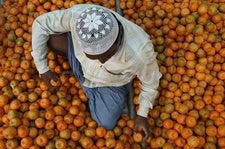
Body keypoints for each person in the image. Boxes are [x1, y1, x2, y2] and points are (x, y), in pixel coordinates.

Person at [31, 4, 161, 140]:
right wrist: (43, 68)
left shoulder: (140, 53)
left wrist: (142, 114)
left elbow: (150, 83)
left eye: (103, 57)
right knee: (51, 39)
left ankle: (92, 90)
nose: (98, 61)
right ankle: (82, 76)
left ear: (116, 44)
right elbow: (40, 24)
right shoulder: (82, 16)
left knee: (105, 123)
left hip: (109, 83)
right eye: (91, 55)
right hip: (80, 62)